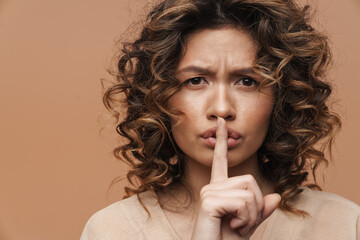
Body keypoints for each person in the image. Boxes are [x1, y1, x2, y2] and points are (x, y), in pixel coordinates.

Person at [81, 0, 360, 239]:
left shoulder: (344, 225)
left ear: (281, 96)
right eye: (196, 80)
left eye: (247, 81)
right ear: (159, 96)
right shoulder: (112, 231)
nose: (222, 108)